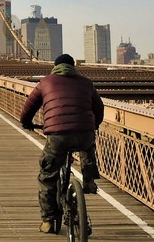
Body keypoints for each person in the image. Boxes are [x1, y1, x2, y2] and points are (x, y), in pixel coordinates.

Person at [20, 54, 104, 234]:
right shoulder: (86, 82)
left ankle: (48, 221)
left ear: (55, 67)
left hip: (58, 135)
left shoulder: (46, 82)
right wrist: (94, 124)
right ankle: (89, 181)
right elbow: (99, 108)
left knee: (47, 175)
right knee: (88, 149)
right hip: (84, 132)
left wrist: (26, 122)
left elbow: (28, 107)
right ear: (73, 66)